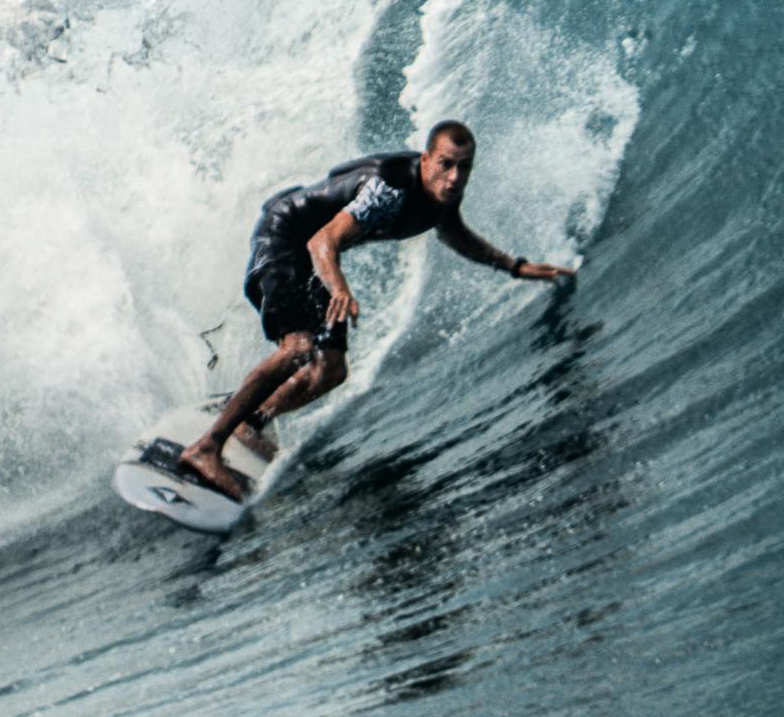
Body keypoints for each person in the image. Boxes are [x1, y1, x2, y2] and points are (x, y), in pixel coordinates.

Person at [163, 120, 569, 499]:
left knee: (332, 370)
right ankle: (207, 447)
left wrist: (514, 266)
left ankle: (253, 420)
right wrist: (339, 287)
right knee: (298, 348)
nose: (455, 177)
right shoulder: (390, 189)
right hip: (286, 238)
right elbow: (322, 241)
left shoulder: (444, 193)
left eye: (465, 168)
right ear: (426, 160)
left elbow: (454, 232)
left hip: (313, 259)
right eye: (446, 165)